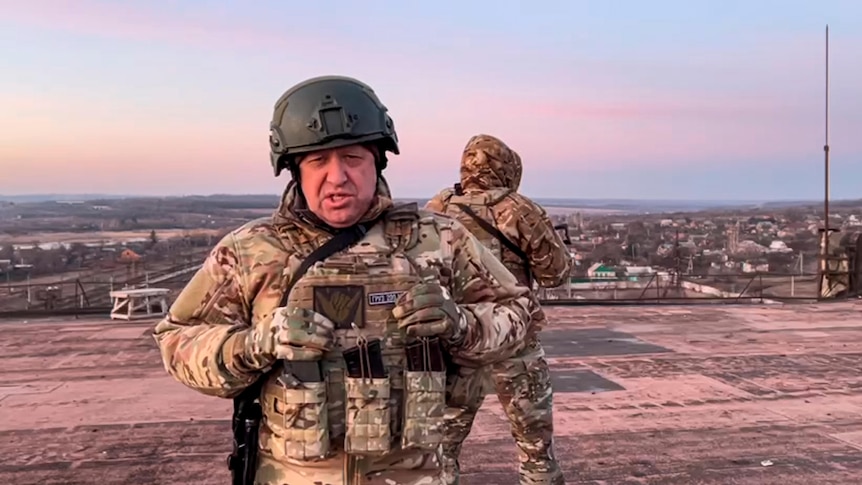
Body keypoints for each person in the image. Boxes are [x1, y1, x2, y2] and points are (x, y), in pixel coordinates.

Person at [151, 76, 543, 485]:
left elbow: (520, 314)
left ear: (378, 161)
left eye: (353, 158)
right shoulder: (252, 251)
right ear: (294, 171)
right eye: (318, 161)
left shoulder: (439, 239)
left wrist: (461, 324)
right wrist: (255, 344)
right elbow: (177, 342)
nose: (337, 177)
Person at [425, 134, 573, 485]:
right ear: (505, 168)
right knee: (536, 453)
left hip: (456, 346)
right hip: (514, 344)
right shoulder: (519, 210)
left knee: (438, 457)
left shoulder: (438, 208)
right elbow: (555, 274)